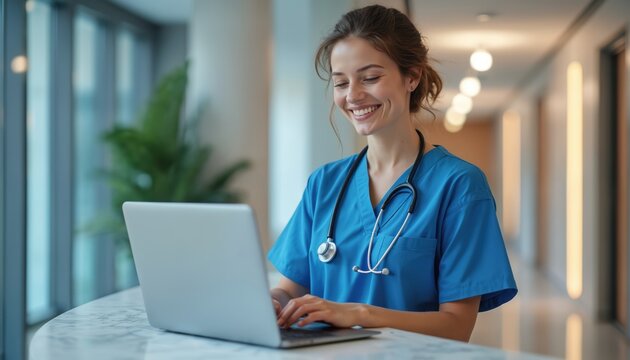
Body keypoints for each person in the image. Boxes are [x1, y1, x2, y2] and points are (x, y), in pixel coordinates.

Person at [268, 5, 517, 342]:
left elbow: (457, 326)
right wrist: (272, 302)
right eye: (341, 83)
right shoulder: (323, 184)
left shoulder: (459, 186)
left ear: (411, 77)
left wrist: (359, 314)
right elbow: (290, 287)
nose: (353, 95)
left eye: (370, 78)